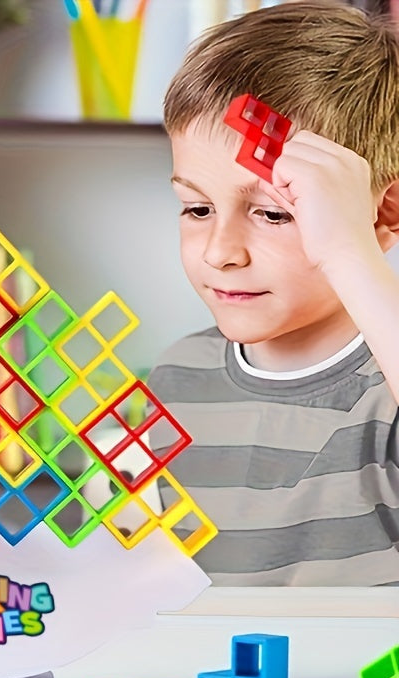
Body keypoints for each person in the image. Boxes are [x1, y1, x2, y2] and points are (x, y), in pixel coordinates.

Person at [146, 1, 399, 586]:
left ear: (384, 212)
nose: (219, 250)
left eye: (272, 213)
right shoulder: (179, 374)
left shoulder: (385, 387)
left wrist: (348, 249)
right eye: (197, 208)